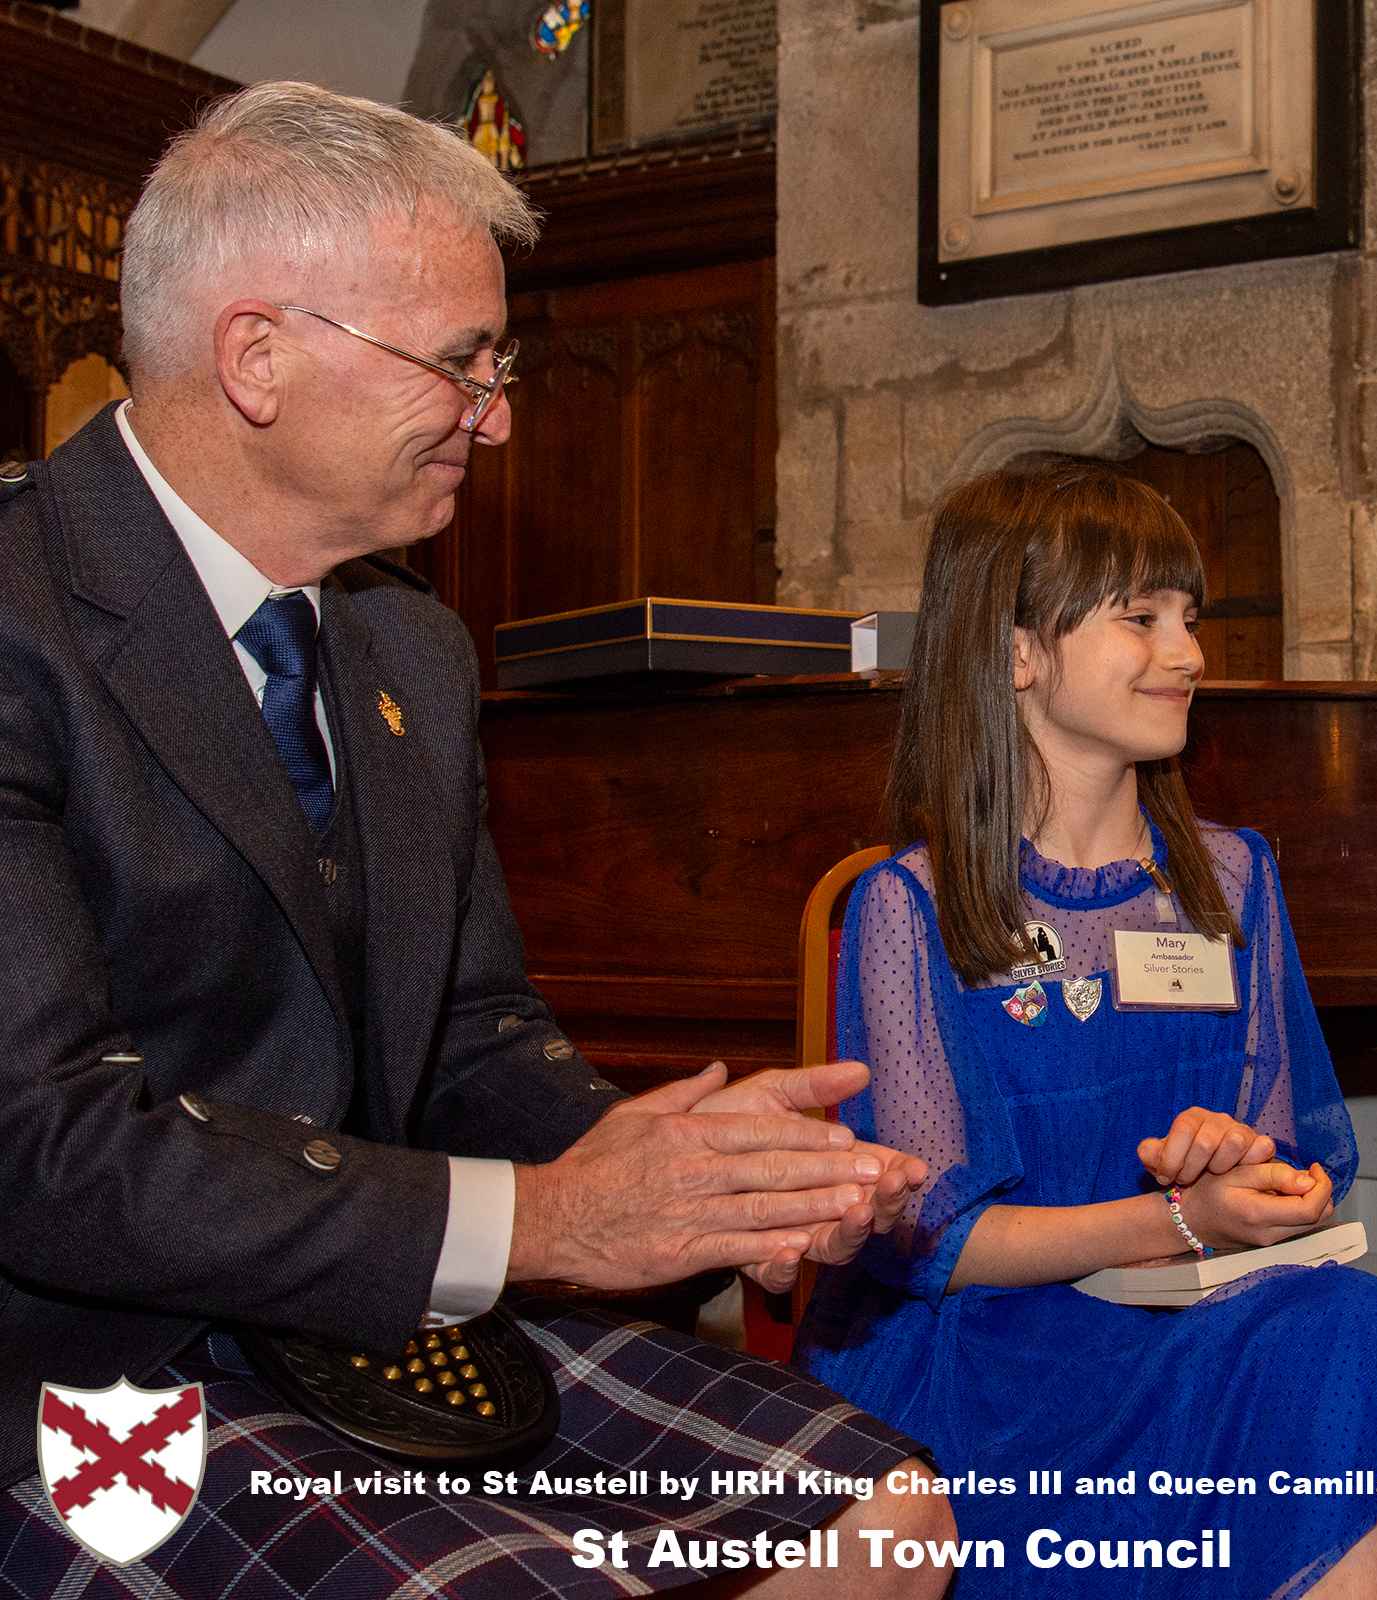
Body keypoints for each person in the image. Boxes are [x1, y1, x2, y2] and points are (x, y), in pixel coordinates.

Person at [0, 82, 953, 1598]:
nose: (498, 413)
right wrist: (552, 1220)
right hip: (87, 1366)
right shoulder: (20, 613)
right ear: (256, 357)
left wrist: (702, 1180)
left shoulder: (410, 649)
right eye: (459, 362)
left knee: (886, 1520)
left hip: (373, 1318)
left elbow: (469, 1031)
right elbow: (48, 1150)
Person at [797, 460, 1377, 1598]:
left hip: (1185, 1322)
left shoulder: (1233, 878)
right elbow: (934, 1243)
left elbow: (1288, 1161)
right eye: (1141, 618)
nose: (1188, 652)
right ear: (1016, 652)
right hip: (994, 1361)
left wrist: (1247, 1173)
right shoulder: (910, 907)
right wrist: (1173, 1217)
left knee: (1348, 1323)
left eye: (1190, 617)